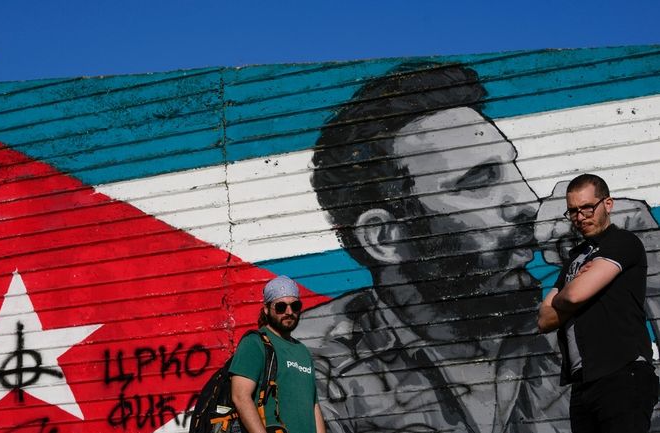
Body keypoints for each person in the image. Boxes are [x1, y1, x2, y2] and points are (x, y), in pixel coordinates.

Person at [293, 64, 569, 432]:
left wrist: (649, 274)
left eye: (511, 168)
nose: (527, 203)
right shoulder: (312, 367)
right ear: (385, 238)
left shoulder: (565, 327)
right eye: (479, 181)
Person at [538, 174, 659, 432]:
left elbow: (572, 297)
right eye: (573, 211)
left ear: (608, 204)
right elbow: (544, 320)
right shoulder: (576, 260)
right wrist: (574, 288)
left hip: (622, 374)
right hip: (584, 382)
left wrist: (565, 295)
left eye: (587, 207)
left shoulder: (622, 243)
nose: (580, 217)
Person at [229, 275, 327, 433]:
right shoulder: (254, 343)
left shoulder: (302, 351)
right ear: (267, 309)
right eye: (281, 307)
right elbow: (240, 397)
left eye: (295, 306)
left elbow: (313, 405)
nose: (289, 312)